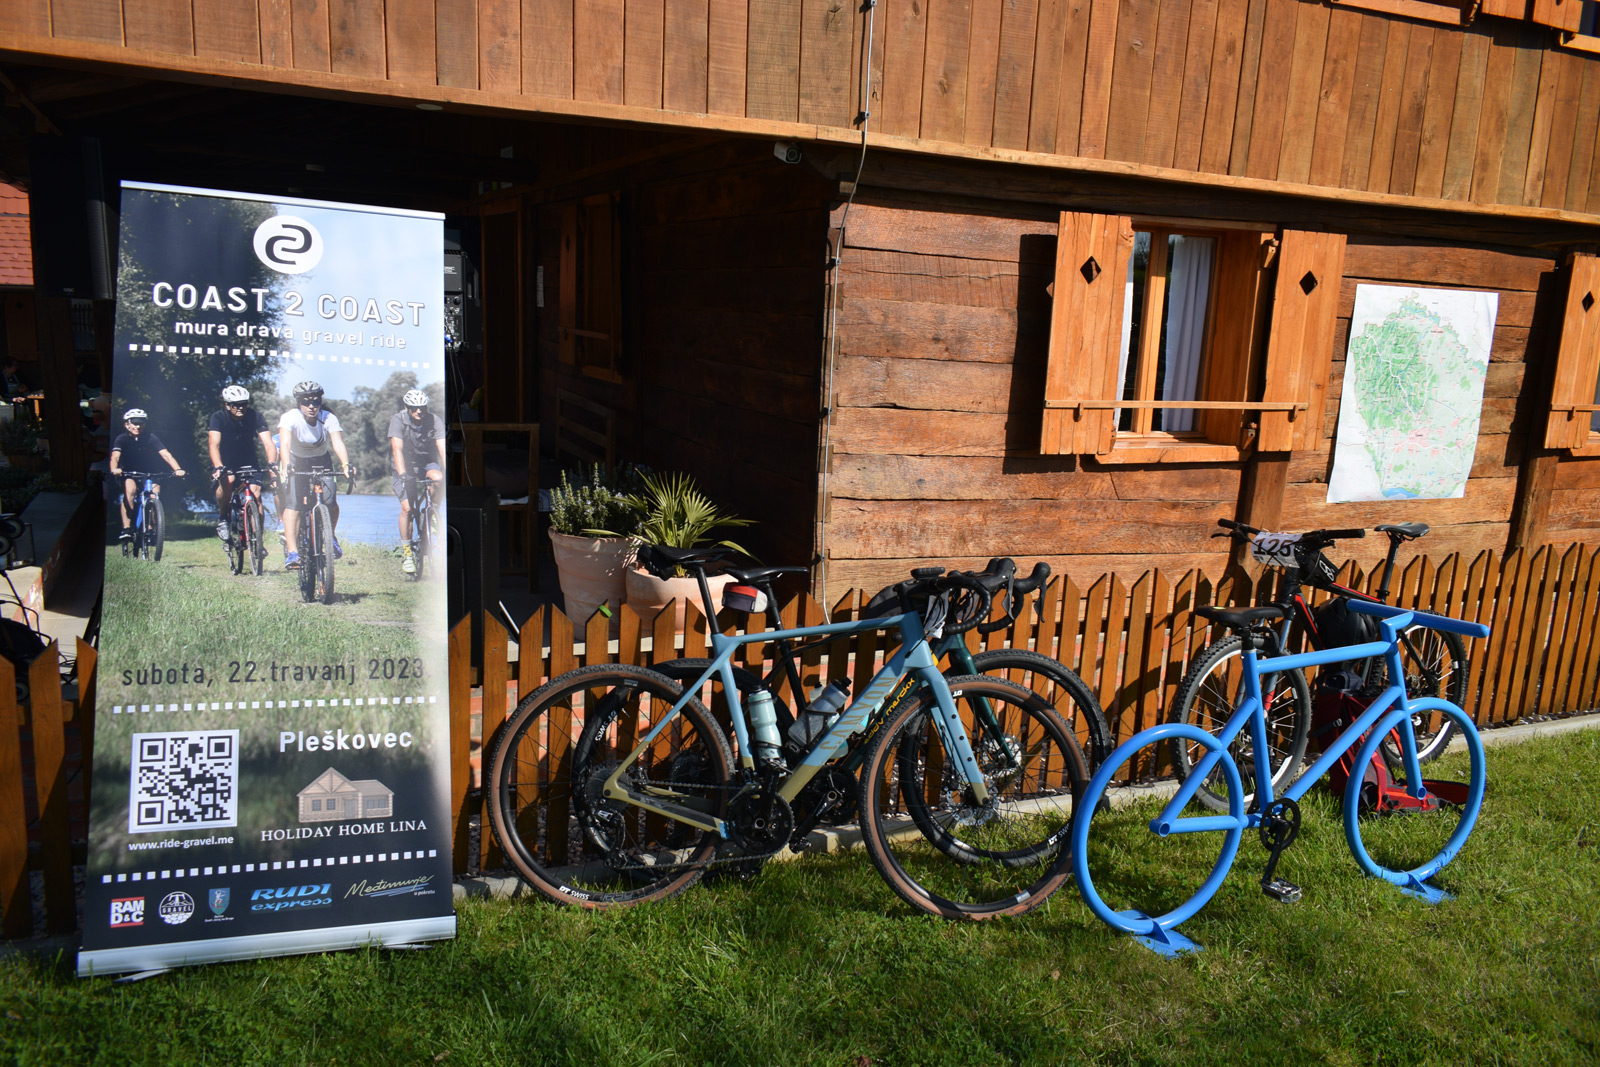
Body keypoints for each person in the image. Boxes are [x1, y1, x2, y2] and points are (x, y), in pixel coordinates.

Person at [277, 381, 352, 570]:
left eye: (315, 402)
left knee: (330, 501)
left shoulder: (328, 418)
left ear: (320, 402)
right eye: (306, 402)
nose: (311, 406)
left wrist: (346, 464)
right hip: (296, 461)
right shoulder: (290, 418)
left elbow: (338, 443)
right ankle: (293, 552)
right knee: (294, 504)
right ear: (298, 403)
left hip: (321, 460)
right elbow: (285, 444)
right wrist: (286, 466)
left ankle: (330, 535)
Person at [207, 385, 277, 547]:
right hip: (225, 460)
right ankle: (223, 518)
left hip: (248, 459)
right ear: (227, 405)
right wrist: (218, 466)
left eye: (244, 403)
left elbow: (269, 444)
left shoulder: (255, 416)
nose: (240, 407)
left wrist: (272, 463)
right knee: (228, 481)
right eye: (236, 404)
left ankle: (257, 540)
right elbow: (213, 445)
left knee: (256, 494)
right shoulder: (218, 418)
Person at [389, 388, 446, 575]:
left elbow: (441, 447)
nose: (418, 411)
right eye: (414, 408)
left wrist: (447, 470)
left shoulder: (434, 420)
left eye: (422, 407)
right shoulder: (398, 420)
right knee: (407, 508)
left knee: (438, 480)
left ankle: (433, 515)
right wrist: (403, 474)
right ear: (407, 407)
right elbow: (397, 449)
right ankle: (407, 553)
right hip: (405, 465)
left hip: (427, 463)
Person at [108, 409, 185, 542]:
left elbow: (166, 455)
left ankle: (150, 529)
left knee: (155, 496)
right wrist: (114, 469)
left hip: (150, 472)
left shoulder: (151, 437)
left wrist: (178, 469)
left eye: (141, 423)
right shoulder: (122, 439)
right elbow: (115, 456)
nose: (138, 426)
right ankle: (127, 528)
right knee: (130, 492)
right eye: (135, 423)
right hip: (129, 472)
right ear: (127, 424)